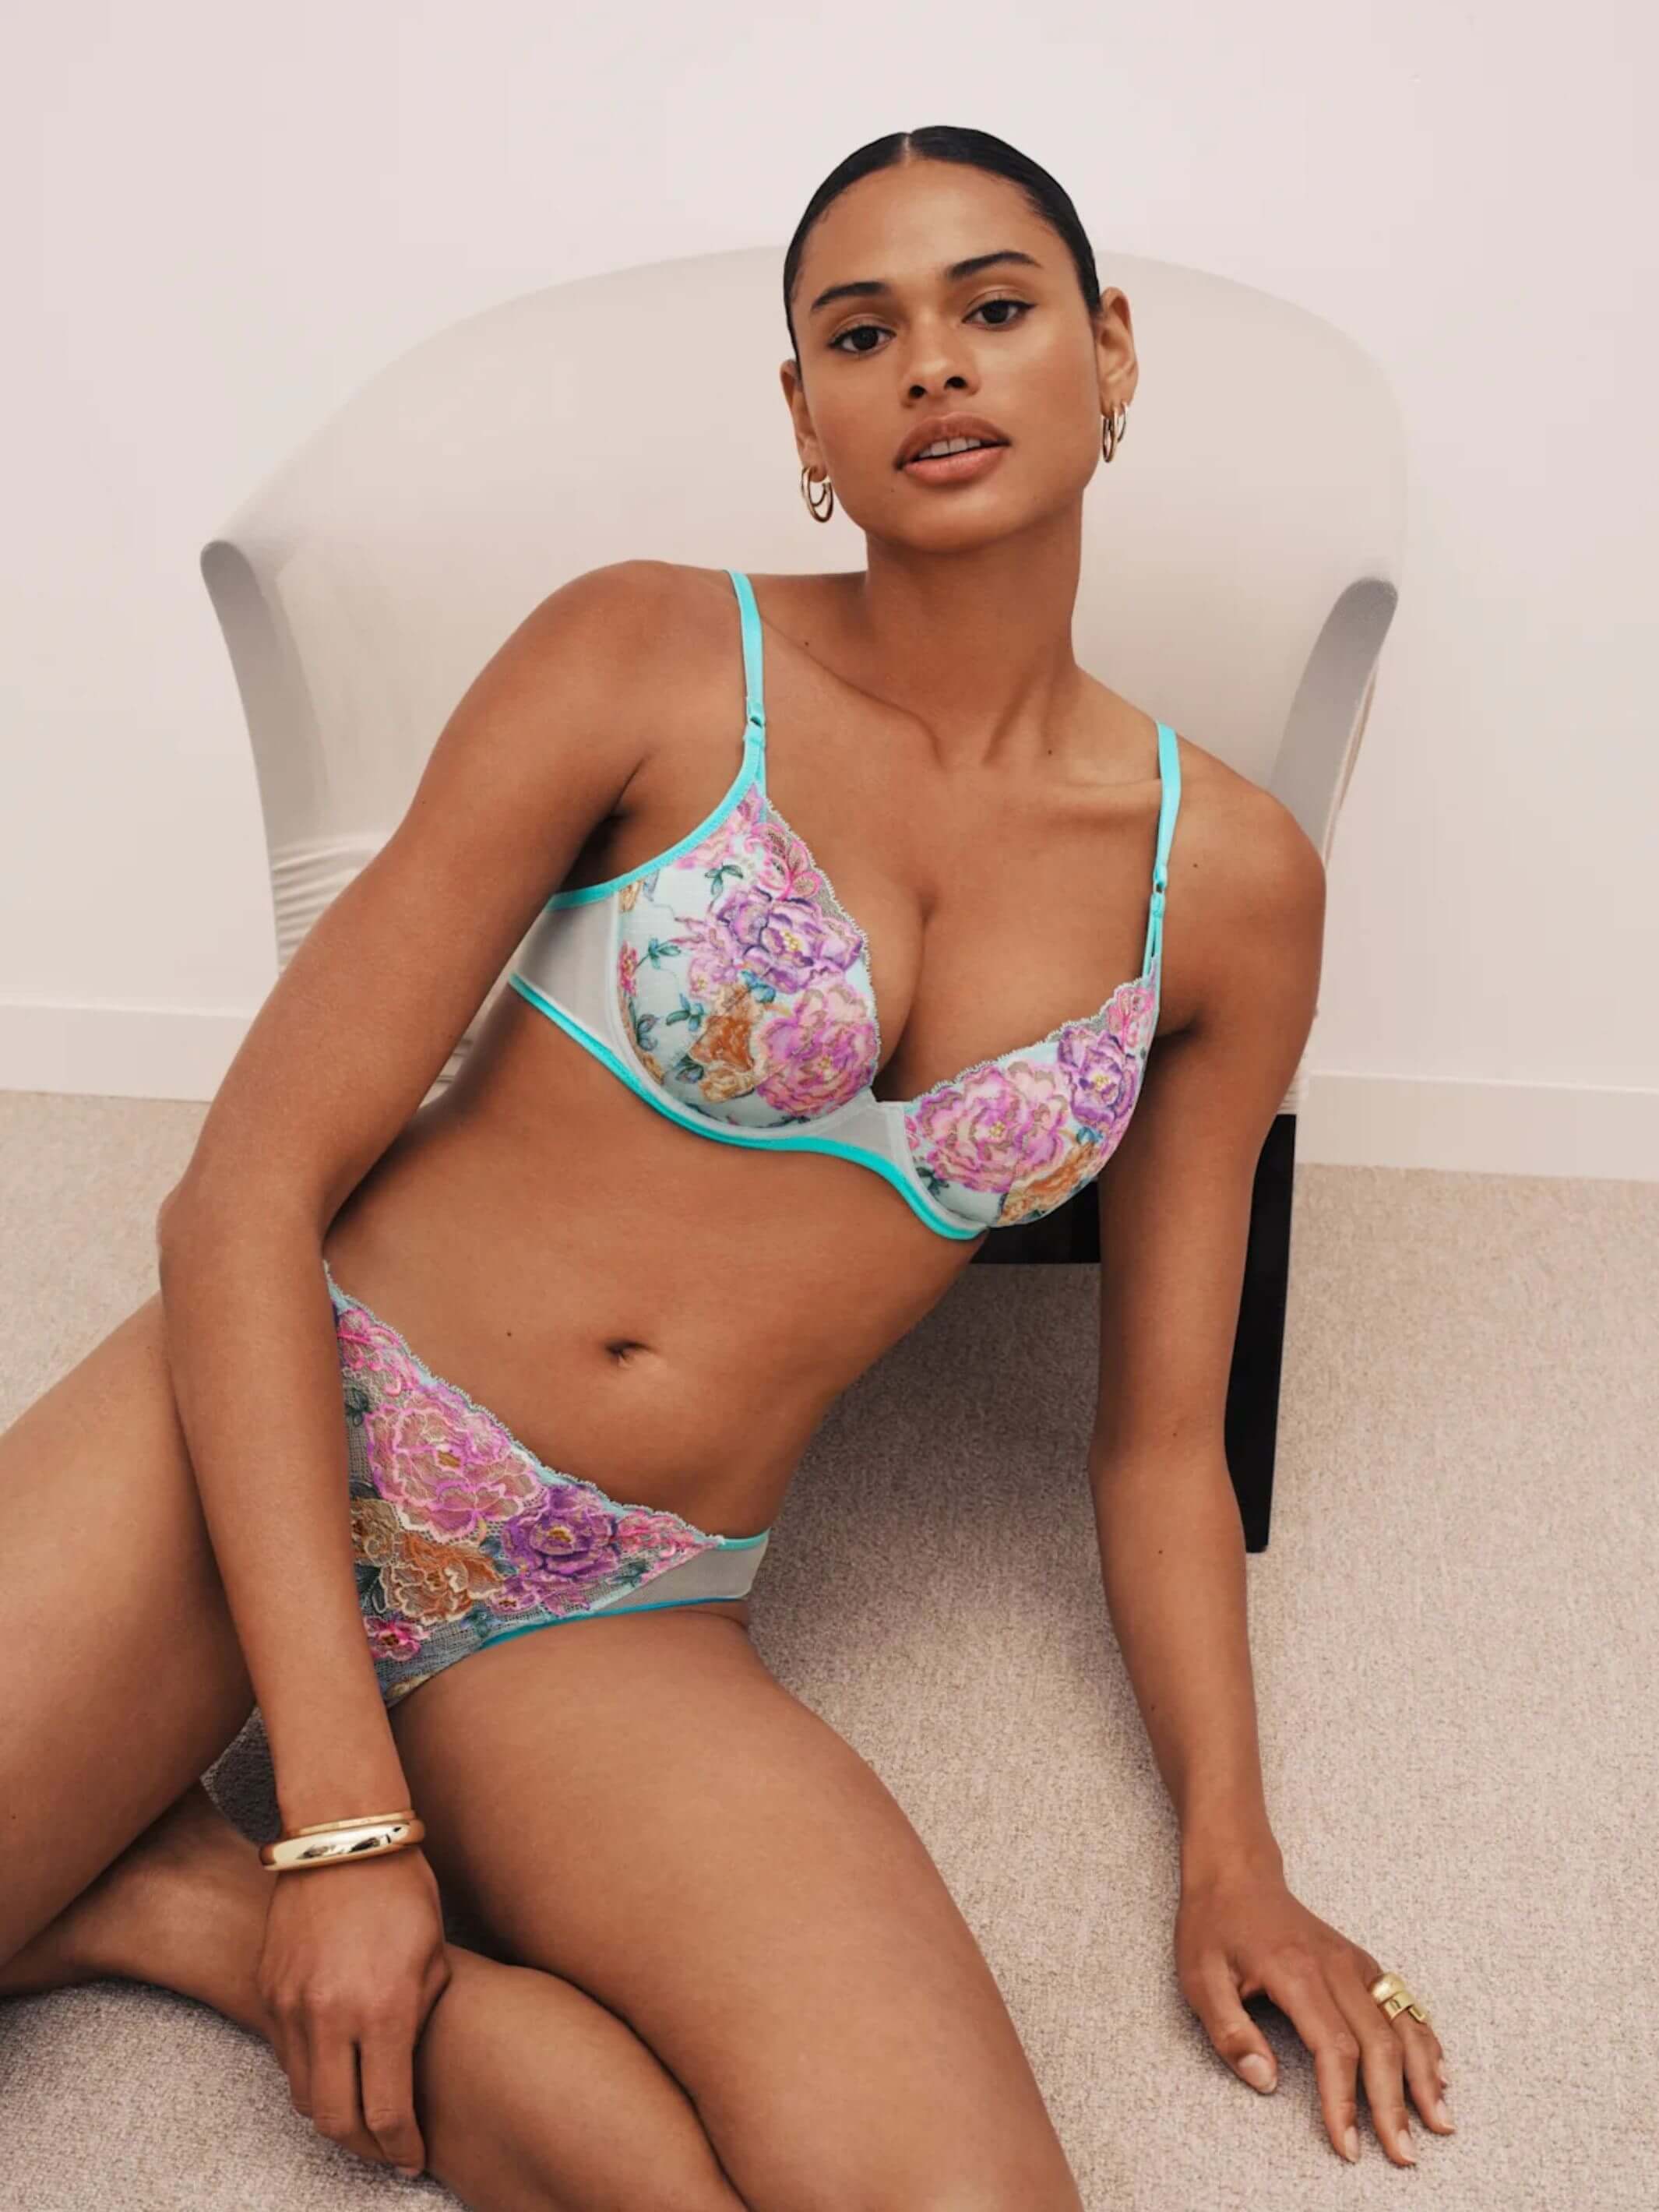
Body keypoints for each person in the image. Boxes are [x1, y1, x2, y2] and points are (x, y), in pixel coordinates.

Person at [0, 124, 1453, 2208]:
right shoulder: (647, 655)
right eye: (861, 334)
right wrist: (346, 1827)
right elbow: (240, 1191)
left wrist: (1235, 1858)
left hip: (613, 1600)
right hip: (295, 1405)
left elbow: (1157, 1450)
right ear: (803, 417)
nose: (931, 364)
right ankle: (232, 1899)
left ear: (1109, 353)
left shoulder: (1227, 885)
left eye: (994, 307)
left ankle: (164, 1904)